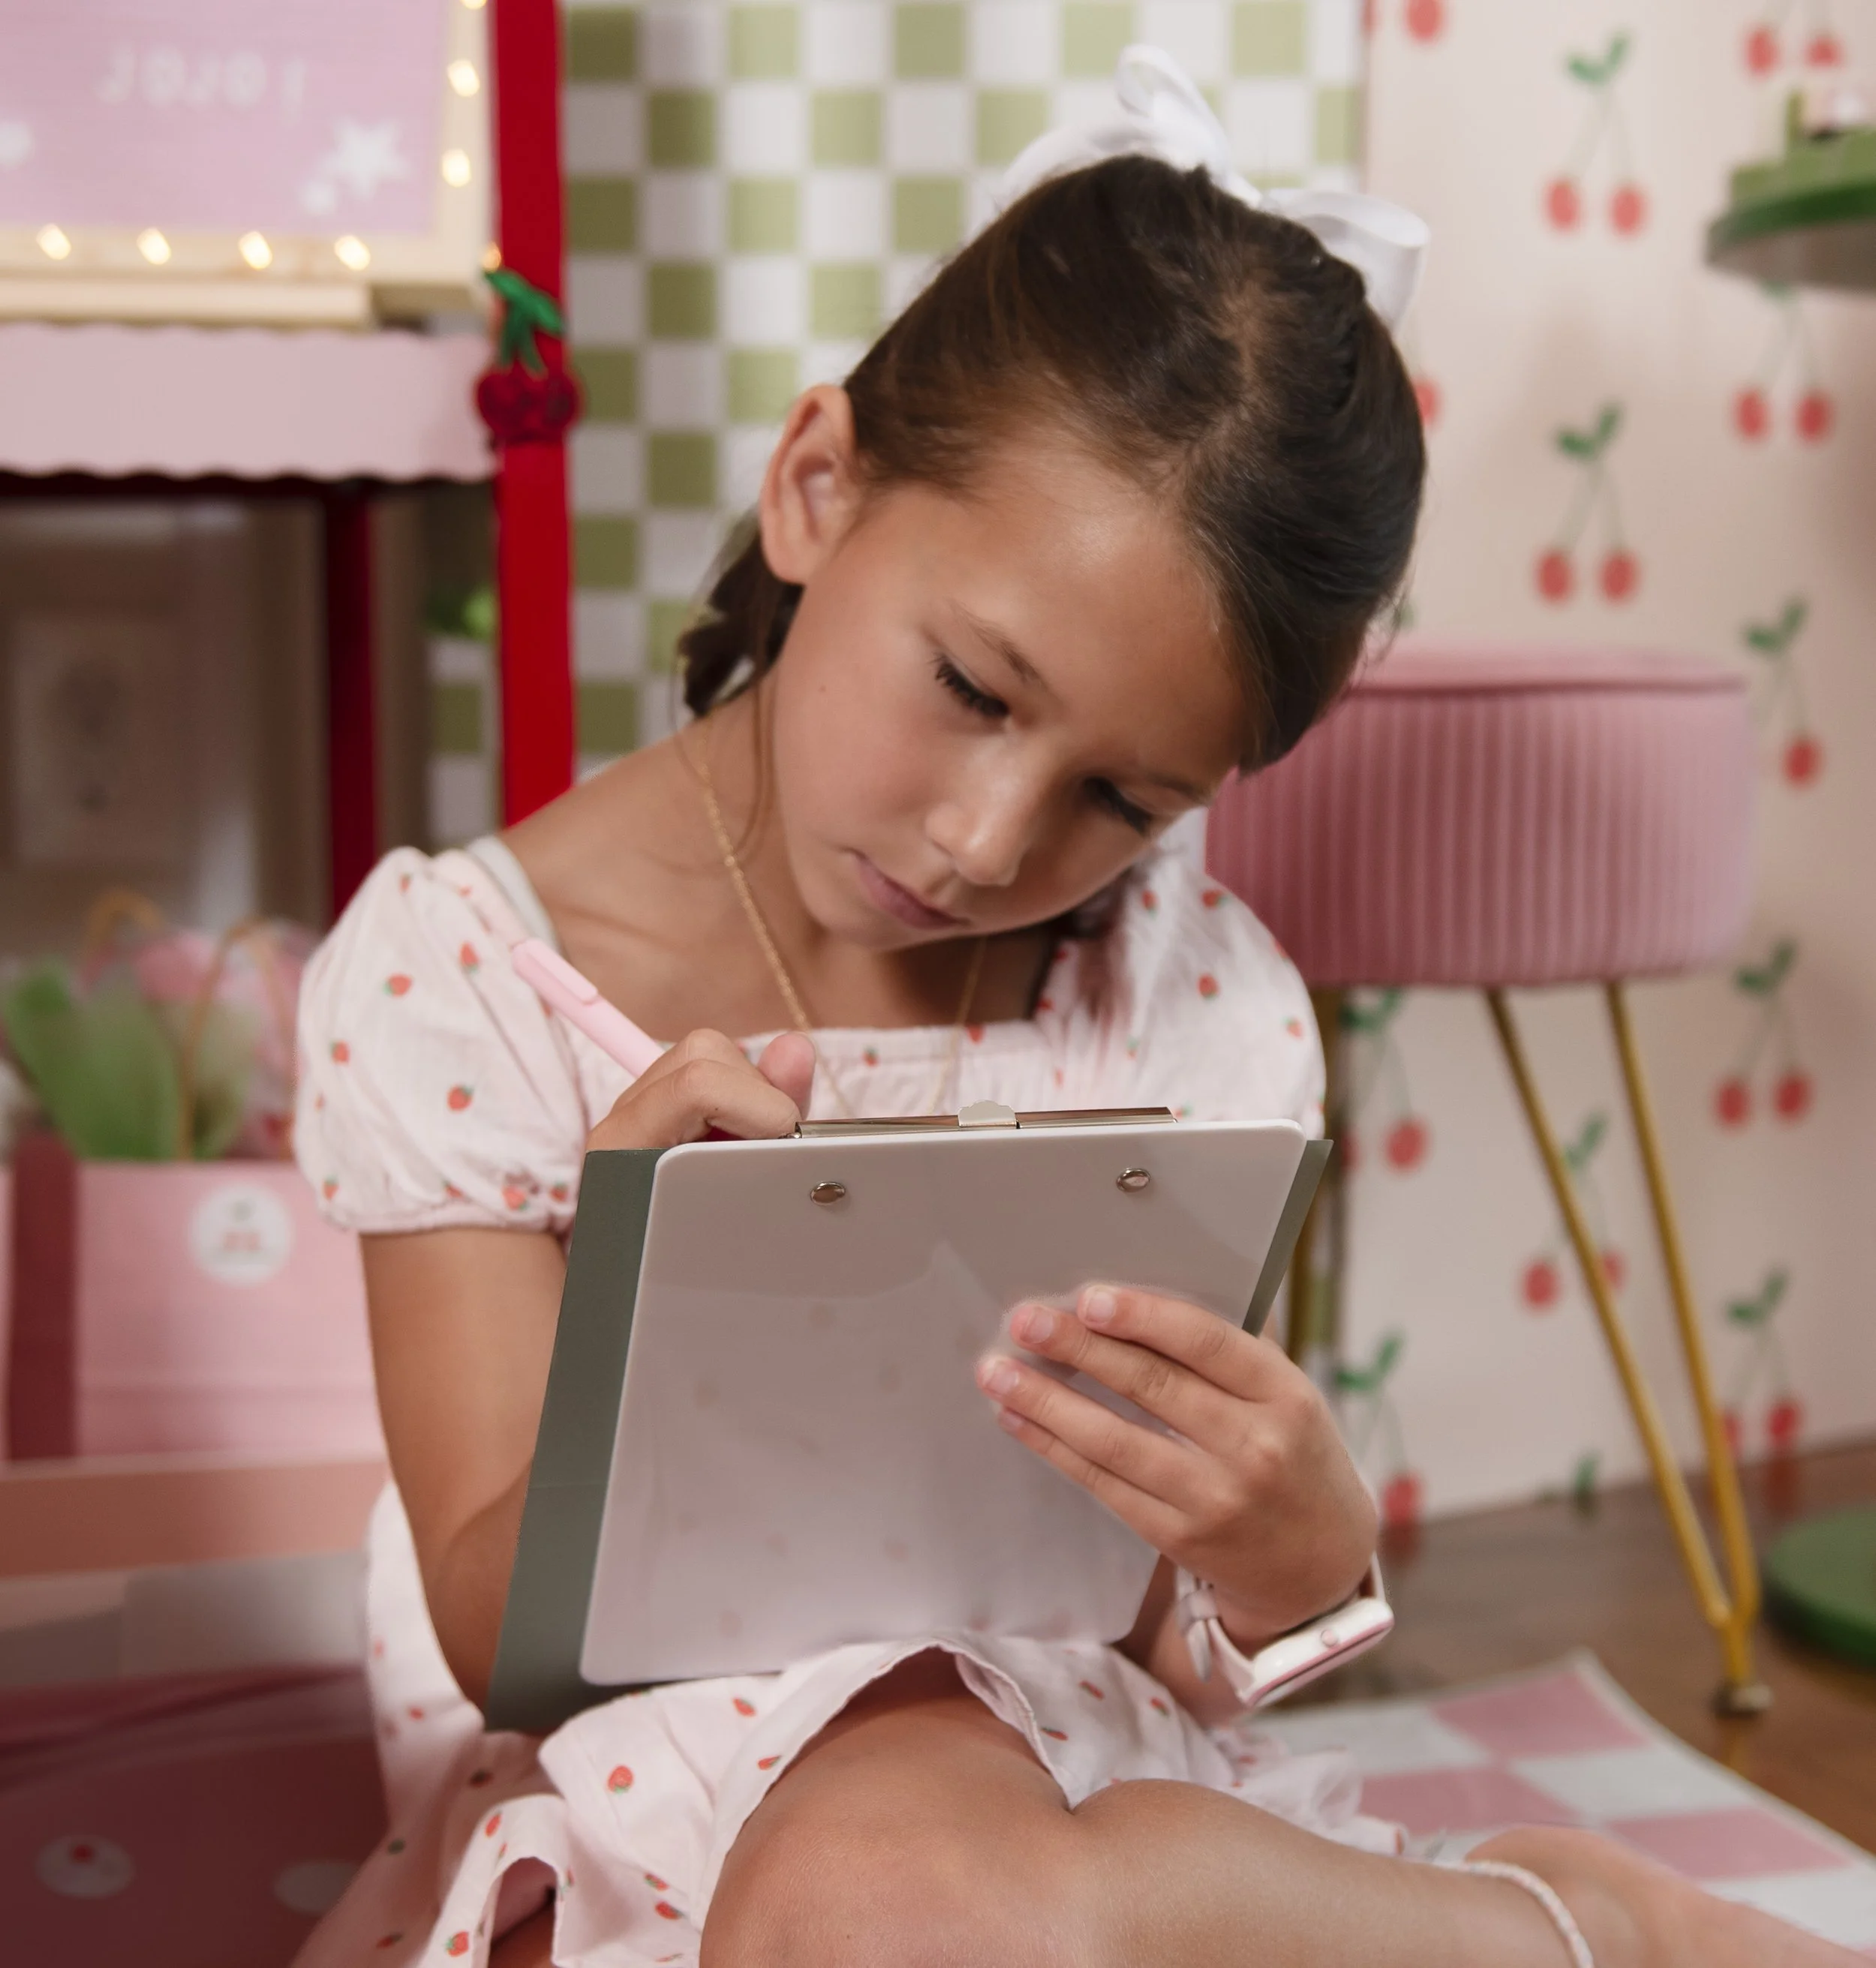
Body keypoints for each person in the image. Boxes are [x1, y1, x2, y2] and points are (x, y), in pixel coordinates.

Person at [293, 50, 1856, 1968]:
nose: (983, 843)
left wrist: (1288, 1560)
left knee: (887, 1893)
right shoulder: (459, 976)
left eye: (1121, 798)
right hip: (608, 1780)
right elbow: (489, 1636)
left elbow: (1138, 1624)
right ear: (813, 488)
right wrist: (643, 1291)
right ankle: (1538, 1928)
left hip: (992, 1768)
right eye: (968, 688)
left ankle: (1566, 1926)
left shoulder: (1182, 996)